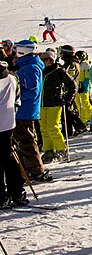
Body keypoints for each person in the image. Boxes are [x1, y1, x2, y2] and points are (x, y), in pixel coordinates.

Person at [12, 40, 48, 180]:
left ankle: (35, 169)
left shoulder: (30, 67)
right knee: (24, 139)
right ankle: (29, 167)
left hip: (25, 109)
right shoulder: (28, 65)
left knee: (26, 139)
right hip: (24, 109)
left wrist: (15, 96)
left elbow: (32, 91)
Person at [38, 49, 73, 163]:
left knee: (52, 127)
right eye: (42, 59)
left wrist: (67, 99)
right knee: (43, 128)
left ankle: (61, 148)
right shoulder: (40, 71)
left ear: (51, 60)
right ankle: (48, 149)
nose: (44, 61)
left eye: (46, 59)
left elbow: (72, 85)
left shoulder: (59, 71)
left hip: (54, 102)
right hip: (42, 103)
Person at [0, 59, 27, 208]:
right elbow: (18, 98)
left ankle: (2, 196)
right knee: (10, 159)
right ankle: (16, 192)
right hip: (9, 123)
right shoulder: (12, 77)